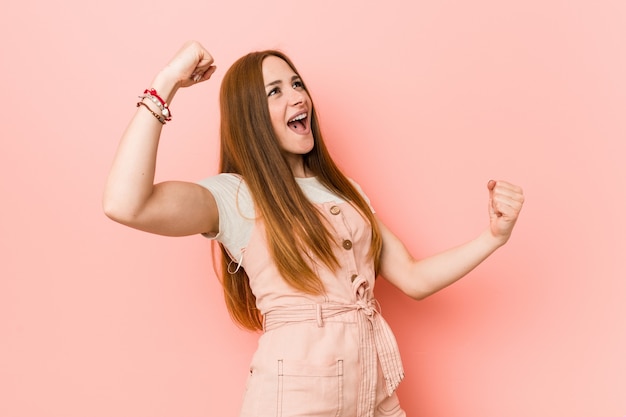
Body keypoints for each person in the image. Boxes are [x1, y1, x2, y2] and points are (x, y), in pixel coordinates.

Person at [103, 40, 524, 417]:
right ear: (250, 118)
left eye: (297, 84)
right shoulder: (235, 196)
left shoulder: (345, 191)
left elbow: (413, 278)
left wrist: (493, 237)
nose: (297, 97)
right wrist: (167, 82)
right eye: (275, 91)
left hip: (371, 393)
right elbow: (126, 204)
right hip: (296, 397)